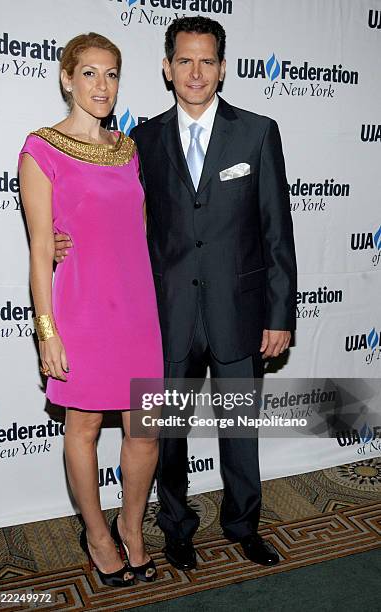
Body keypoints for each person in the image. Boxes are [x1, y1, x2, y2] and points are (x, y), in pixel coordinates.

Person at [55, 17, 297, 570]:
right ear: (166, 68)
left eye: (206, 61)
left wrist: (280, 312)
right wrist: (56, 242)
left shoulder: (258, 132)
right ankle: (175, 530)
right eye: (184, 60)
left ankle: (243, 526)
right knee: (166, 436)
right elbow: (111, 216)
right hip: (163, 316)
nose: (195, 72)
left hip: (240, 312)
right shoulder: (138, 142)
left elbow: (277, 230)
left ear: (222, 68)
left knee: (240, 433)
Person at [19, 32, 163, 587]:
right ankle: (98, 534)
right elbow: (38, 250)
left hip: (137, 310)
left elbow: (139, 231)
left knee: (147, 431)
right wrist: (46, 331)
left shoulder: (128, 149)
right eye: (89, 74)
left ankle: (132, 527)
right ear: (66, 78)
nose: (102, 85)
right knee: (82, 427)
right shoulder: (41, 148)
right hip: (81, 312)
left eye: (111, 74)